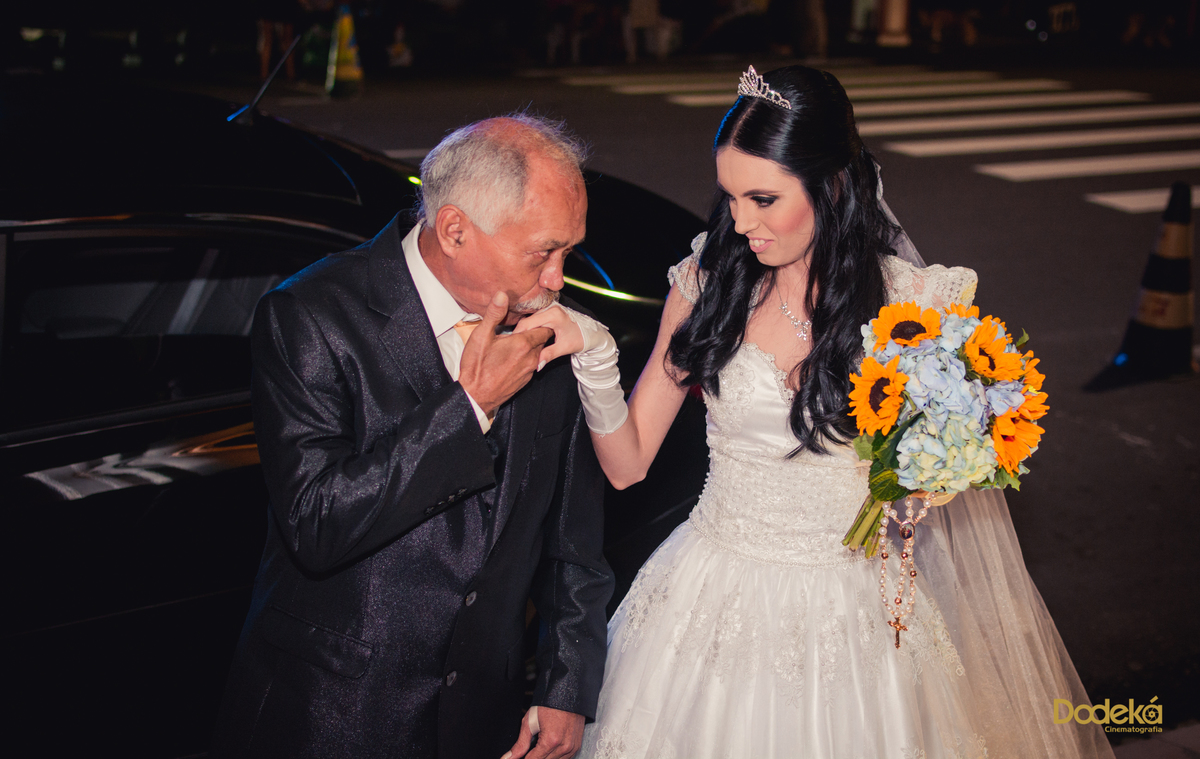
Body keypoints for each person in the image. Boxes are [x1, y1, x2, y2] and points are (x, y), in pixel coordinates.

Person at [519, 66, 1115, 758]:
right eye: (732, 195)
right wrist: (593, 356)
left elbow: (928, 482)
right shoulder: (707, 284)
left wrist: (930, 470)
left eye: (764, 198)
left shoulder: (912, 308)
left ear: (829, 184)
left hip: (854, 616)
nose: (741, 222)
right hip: (707, 600)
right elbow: (625, 468)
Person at [211, 115, 614, 759]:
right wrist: (470, 405)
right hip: (333, 712)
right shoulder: (312, 314)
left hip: (483, 719)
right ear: (454, 229)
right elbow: (318, 525)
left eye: (570, 250)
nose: (557, 280)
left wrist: (566, 687)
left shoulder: (549, 329)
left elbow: (575, 543)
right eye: (543, 252)